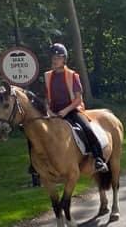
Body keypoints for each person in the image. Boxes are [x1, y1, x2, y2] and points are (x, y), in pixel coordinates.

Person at [44, 43, 108, 173]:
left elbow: (78, 99)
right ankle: (36, 167)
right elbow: (46, 98)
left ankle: (98, 159)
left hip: (71, 110)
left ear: (64, 59)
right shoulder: (47, 76)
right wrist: (49, 111)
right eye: (53, 58)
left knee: (87, 129)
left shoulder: (72, 75)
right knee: (35, 132)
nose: (54, 60)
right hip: (53, 112)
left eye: (58, 58)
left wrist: (65, 111)